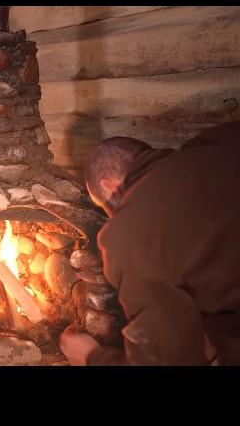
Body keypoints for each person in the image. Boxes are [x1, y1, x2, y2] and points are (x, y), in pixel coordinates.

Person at [59, 121, 240, 366]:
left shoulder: (129, 230)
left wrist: (91, 356)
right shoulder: (221, 141)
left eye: (106, 207)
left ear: (108, 185)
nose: (115, 217)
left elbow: (165, 362)